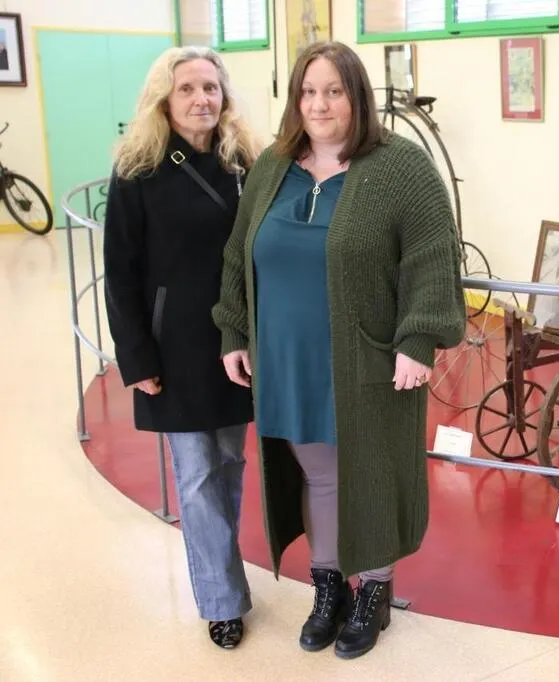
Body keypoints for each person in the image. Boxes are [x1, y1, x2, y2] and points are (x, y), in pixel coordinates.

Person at [212, 41, 465, 660]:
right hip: (288, 357)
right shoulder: (273, 166)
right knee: (318, 473)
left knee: (369, 471)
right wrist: (234, 330)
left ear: (357, 96)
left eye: (334, 91)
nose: (319, 104)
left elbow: (433, 257)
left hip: (367, 356)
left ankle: (374, 588)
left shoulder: (400, 167)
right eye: (308, 91)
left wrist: (418, 338)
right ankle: (329, 586)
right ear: (294, 98)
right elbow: (238, 253)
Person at [102, 45, 262, 649]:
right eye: (187, 89)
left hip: (235, 340)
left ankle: (221, 572)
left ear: (224, 96)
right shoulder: (138, 169)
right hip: (171, 347)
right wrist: (136, 357)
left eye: (210, 88)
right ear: (163, 100)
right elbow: (120, 272)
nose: (201, 99)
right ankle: (222, 600)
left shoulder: (244, 161)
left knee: (229, 465)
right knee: (196, 475)